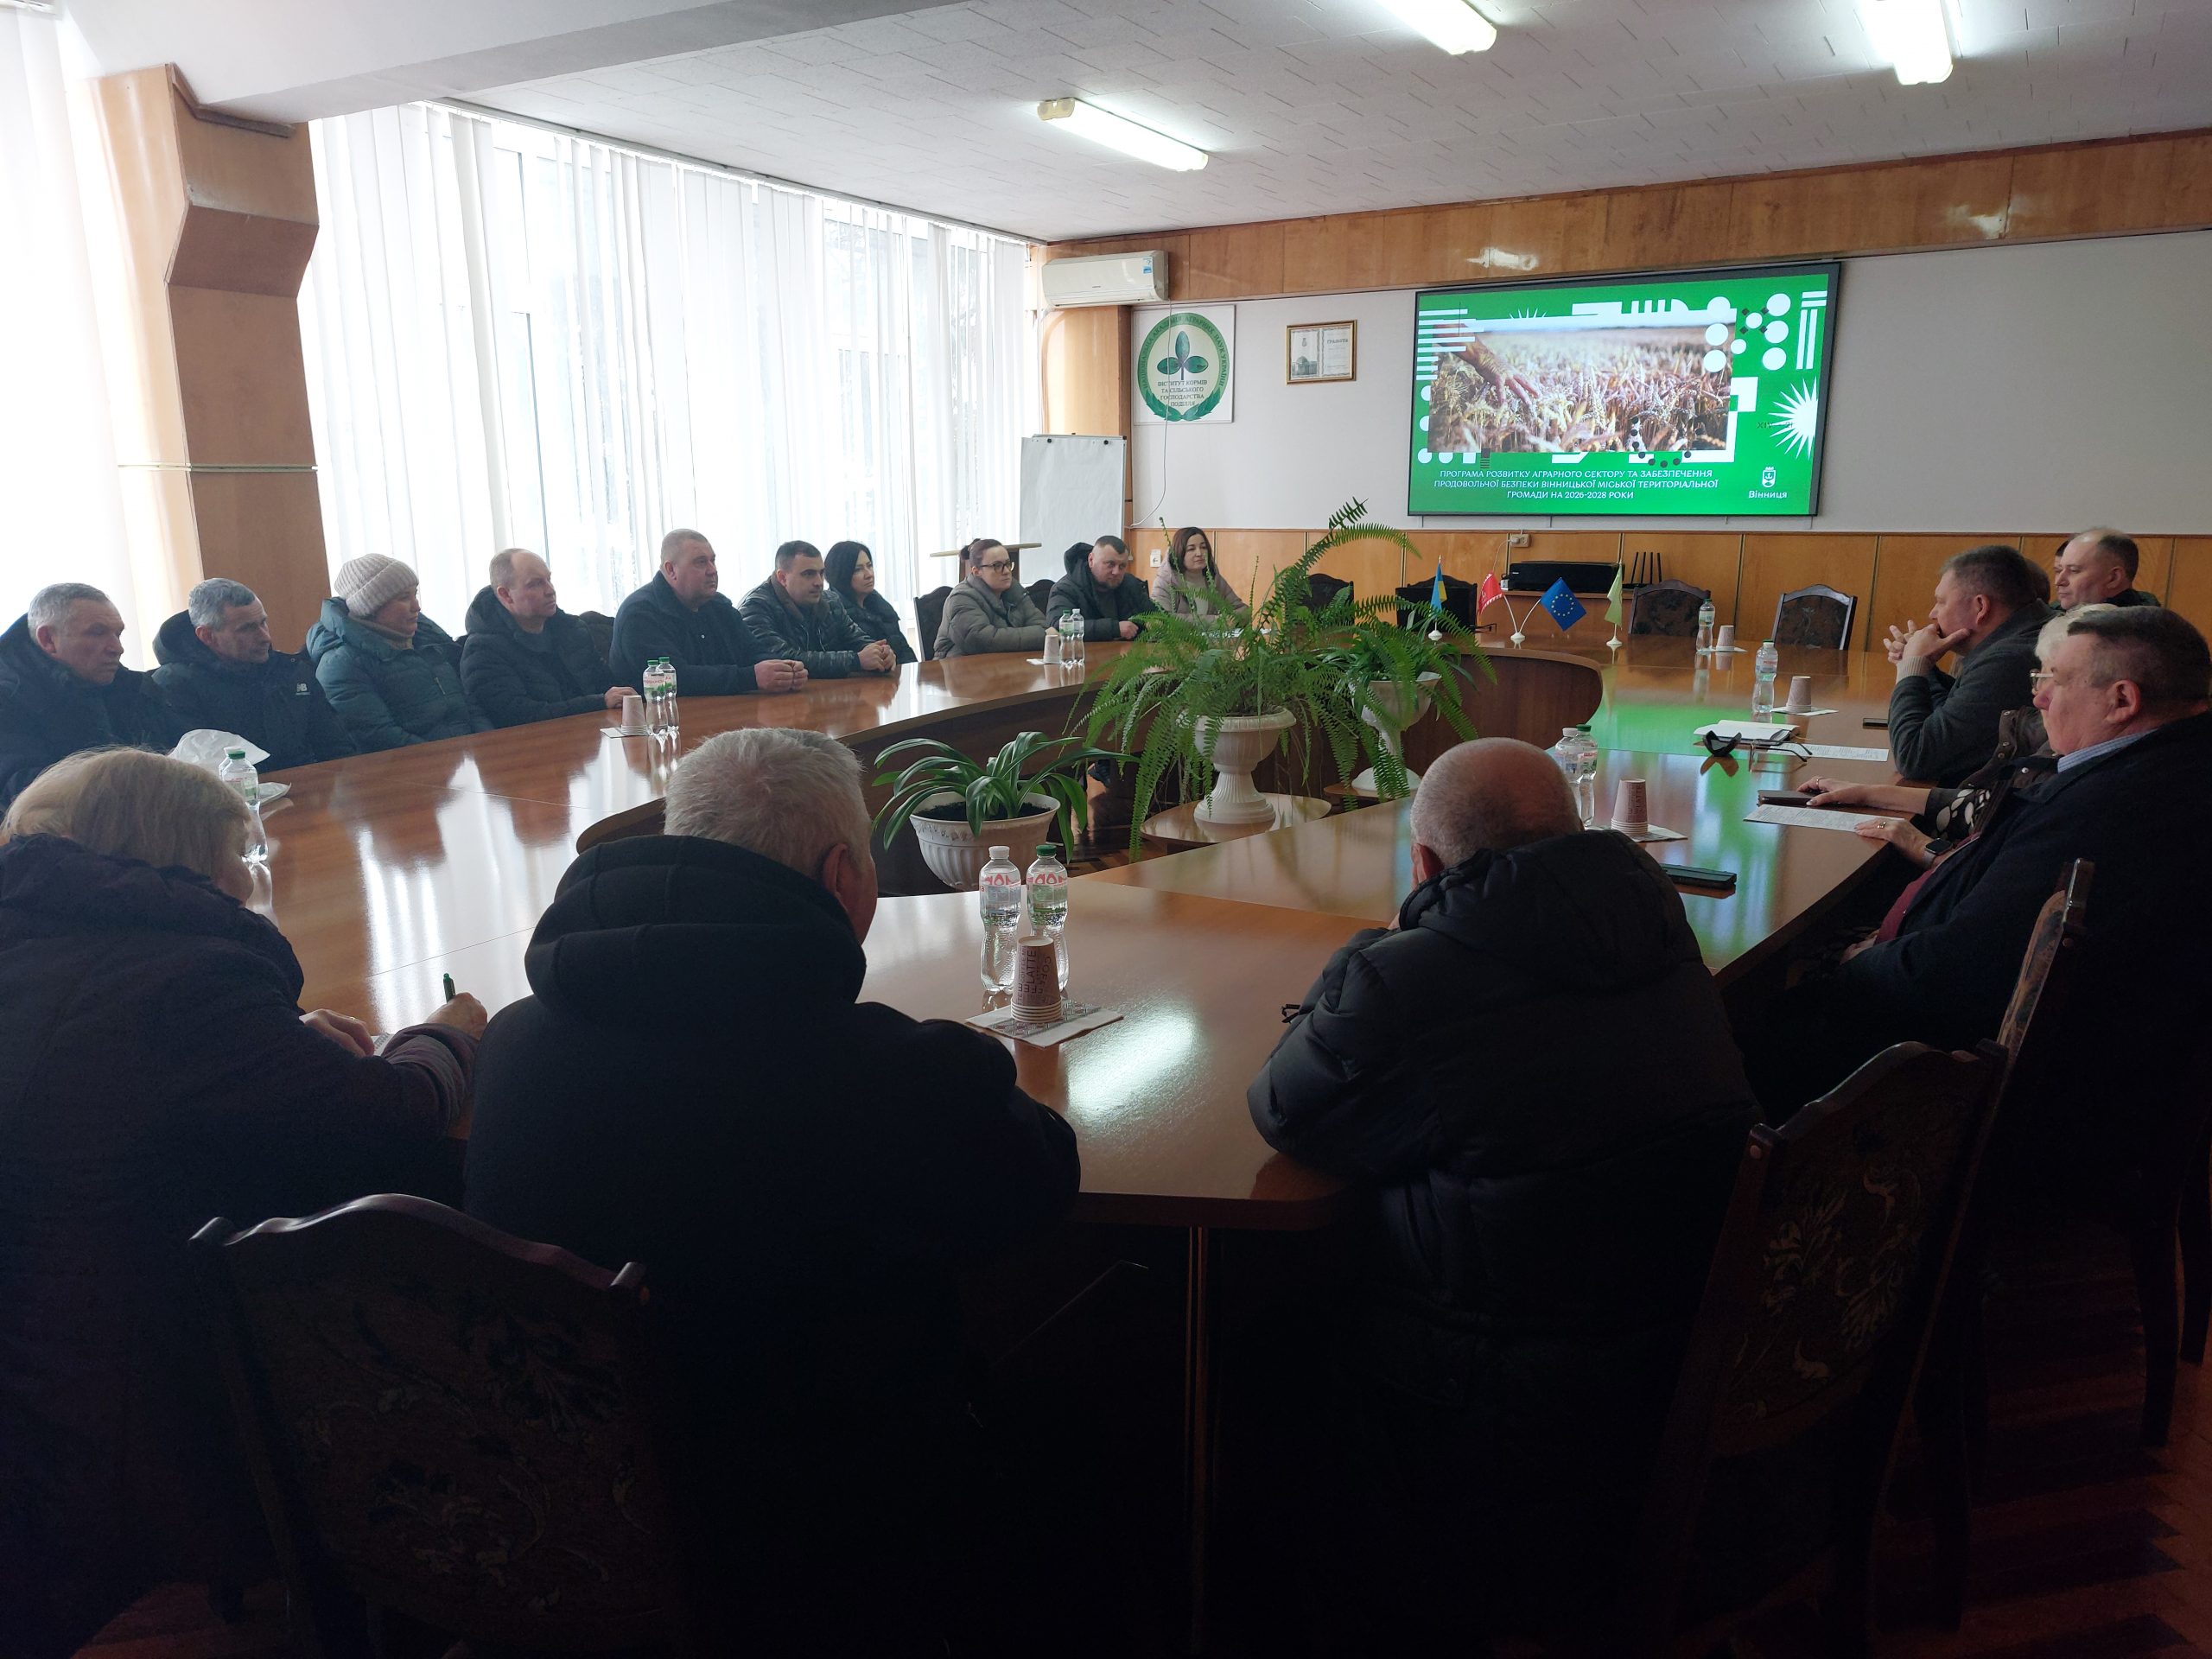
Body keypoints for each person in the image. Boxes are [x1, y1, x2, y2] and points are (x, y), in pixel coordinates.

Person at [465, 727, 1077, 1654]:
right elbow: (1038, 1188)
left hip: (565, 1506)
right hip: (819, 1536)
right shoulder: (886, 1072)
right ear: (842, 876)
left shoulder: (511, 1041)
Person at [1247, 738, 1756, 1637]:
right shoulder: (1654, 911)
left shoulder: (1410, 976)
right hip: (1683, 1333)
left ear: (1424, 863)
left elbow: (1287, 1111)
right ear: (1572, 833)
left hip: (1505, 1388)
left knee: (1265, 1331)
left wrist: (1372, 954)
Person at [0, 747, 484, 1659]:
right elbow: (389, 1117)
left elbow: (109, 1062)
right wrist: (447, 1035)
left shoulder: (41, 936)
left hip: (37, 1337)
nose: (250, 876)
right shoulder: (186, 980)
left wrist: (278, 1042)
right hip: (140, 1384)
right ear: (189, 858)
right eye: (240, 851)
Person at [1746, 609, 2212, 1171]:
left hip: (2048, 1092)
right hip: (2121, 1056)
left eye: (2052, 681)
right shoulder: (2173, 763)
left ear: (2122, 700)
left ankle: (1767, 1210)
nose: (2037, 700)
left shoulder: (2112, 806)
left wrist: (1853, 967)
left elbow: (1956, 971)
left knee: (1761, 1023)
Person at [1885, 543, 2053, 786]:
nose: (1933, 613)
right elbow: (1953, 714)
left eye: (1941, 602)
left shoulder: (2009, 660)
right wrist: (1923, 666)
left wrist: (1911, 669)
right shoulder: (2026, 635)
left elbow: (1914, 758)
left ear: (1980, 607)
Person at [150, 578, 357, 771]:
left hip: (309, 795)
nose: (264, 637)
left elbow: (338, 750)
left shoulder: (293, 672)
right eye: (247, 629)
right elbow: (196, 774)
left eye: (263, 622)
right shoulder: (174, 687)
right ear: (207, 636)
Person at [0, 582, 176, 807]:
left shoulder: (130, 688)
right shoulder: (8, 698)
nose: (117, 648)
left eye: (118, 634)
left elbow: (171, 753)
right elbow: (22, 792)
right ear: (48, 640)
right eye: (97, 632)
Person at [305, 555, 485, 752]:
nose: (417, 606)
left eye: (415, 595)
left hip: (461, 761)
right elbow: (379, 737)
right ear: (371, 607)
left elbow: (471, 705)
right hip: (414, 771)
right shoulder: (341, 663)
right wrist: (450, 759)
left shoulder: (428, 642)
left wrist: (487, 745)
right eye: (403, 598)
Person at [610, 529, 806, 695]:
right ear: (671, 570)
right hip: (659, 725)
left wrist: (784, 669)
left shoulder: (718, 605)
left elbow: (752, 651)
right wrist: (751, 677)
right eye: (701, 562)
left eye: (713, 561)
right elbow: (674, 679)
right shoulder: (639, 614)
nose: (712, 570)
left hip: (723, 714)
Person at [460, 548, 636, 728]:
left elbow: (605, 684)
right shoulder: (482, 651)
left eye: (549, 579)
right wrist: (598, 703)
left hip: (588, 739)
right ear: (506, 595)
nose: (550, 590)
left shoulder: (571, 630)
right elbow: (519, 716)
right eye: (535, 584)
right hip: (530, 748)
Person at [739, 539, 898, 677]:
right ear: (782, 578)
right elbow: (783, 660)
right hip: (777, 704)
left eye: (821, 573)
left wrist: (880, 653)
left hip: (826, 696)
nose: (819, 582)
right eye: (809, 574)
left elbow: (856, 638)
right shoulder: (756, 607)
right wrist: (855, 661)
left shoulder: (830, 601)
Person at [935, 537, 1048, 658]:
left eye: (1008, 564)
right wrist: (1041, 635)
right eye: (997, 566)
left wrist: (1042, 634)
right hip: (959, 670)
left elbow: (1041, 625)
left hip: (1005, 666)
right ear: (976, 571)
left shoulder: (1014, 589)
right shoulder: (961, 598)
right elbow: (984, 641)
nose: (1006, 571)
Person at [1046, 533, 1153, 642]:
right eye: (1110, 564)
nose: (1116, 572)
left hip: (1130, 655)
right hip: (1083, 655)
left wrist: (1156, 624)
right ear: (1091, 560)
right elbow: (1060, 626)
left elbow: (1158, 616)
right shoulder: (1065, 589)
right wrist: (1114, 628)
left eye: (1122, 566)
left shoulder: (1130, 583)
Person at [824, 538, 917, 664]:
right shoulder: (832, 611)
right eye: (858, 569)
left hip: (895, 677)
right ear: (841, 574)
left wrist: (911, 676)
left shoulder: (880, 605)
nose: (869, 574)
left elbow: (904, 650)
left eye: (869, 566)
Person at [2053, 528, 2160, 611]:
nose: (2058, 582)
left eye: (2074, 570)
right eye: (2059, 570)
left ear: (2113, 578)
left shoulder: (2141, 634)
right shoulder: (2053, 616)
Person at [1149, 525, 1244, 618]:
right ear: (1179, 553)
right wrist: (1215, 622)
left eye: (1203, 547)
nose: (1199, 553)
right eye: (1191, 549)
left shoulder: (1213, 579)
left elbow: (1243, 610)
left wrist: (1232, 620)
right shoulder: (1165, 582)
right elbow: (1163, 619)